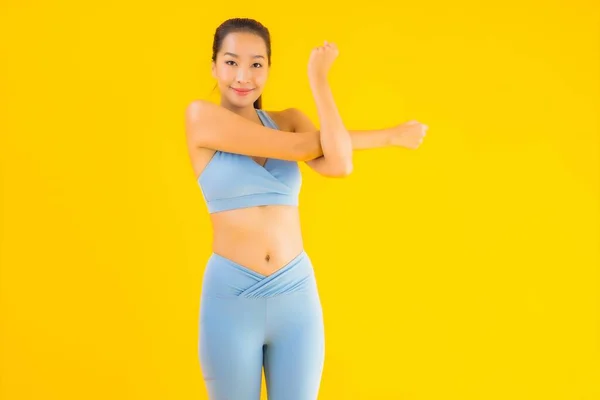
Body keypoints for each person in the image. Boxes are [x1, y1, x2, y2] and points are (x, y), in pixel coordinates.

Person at [185, 17, 428, 400]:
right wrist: (384, 134)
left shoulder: (290, 120)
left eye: (256, 64)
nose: (243, 75)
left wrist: (322, 85)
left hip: (295, 293)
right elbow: (302, 148)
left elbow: (339, 163)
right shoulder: (201, 117)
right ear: (214, 65)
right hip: (230, 299)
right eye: (231, 62)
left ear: (268, 68)